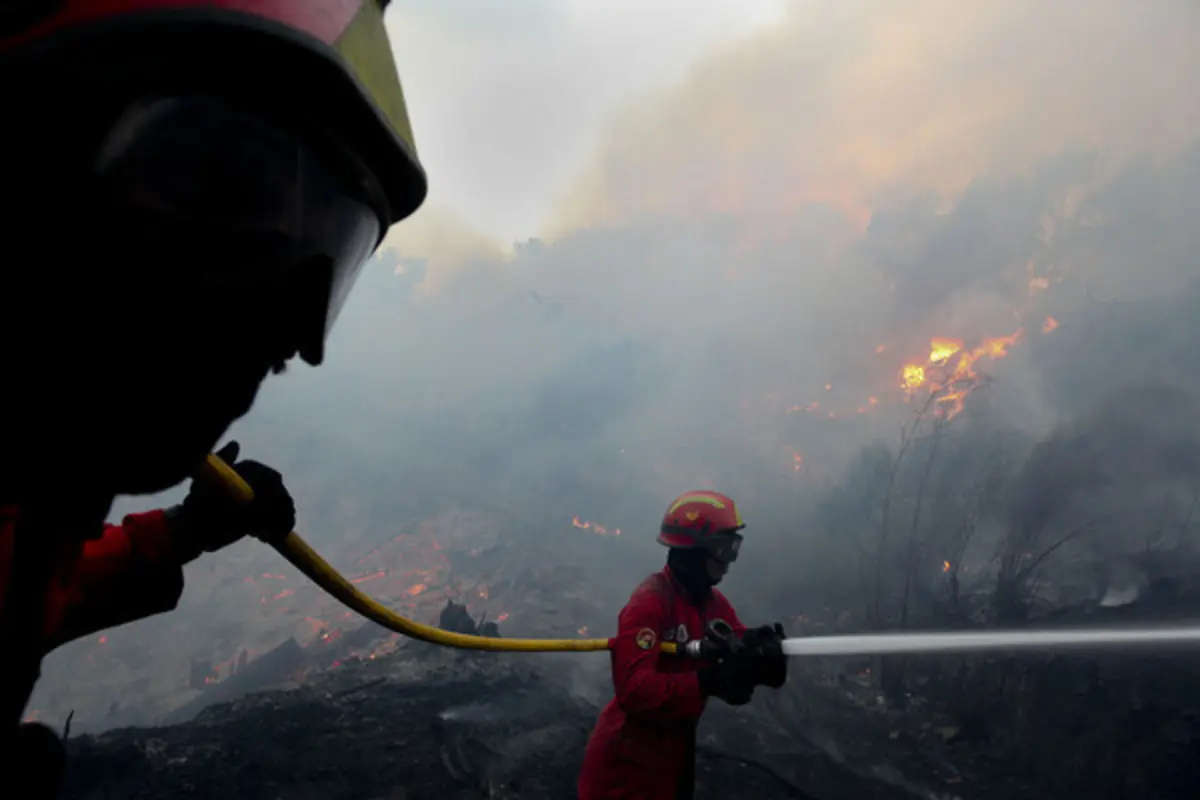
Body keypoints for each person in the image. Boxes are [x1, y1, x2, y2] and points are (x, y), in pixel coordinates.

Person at [0, 0, 427, 793]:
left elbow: (23, 578)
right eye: (216, 197)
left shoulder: (43, 478)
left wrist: (179, 534)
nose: (281, 336)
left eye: (321, 252)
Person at [577, 491, 789, 800]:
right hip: (625, 769)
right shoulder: (649, 603)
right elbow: (634, 689)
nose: (729, 562)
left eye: (733, 548)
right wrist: (707, 682)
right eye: (723, 549)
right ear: (694, 553)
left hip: (673, 755)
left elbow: (736, 645)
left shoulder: (710, 602)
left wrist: (763, 656)